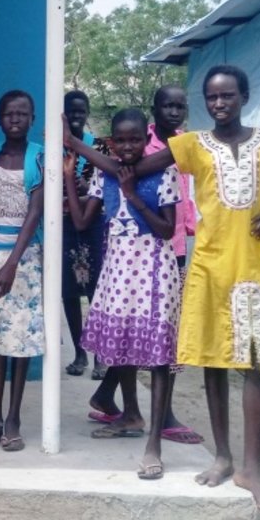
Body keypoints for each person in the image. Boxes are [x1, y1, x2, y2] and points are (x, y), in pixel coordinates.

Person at [67, 64, 260, 518]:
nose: (220, 103)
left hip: (254, 267)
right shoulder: (192, 145)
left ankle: (251, 469)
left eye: (228, 95)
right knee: (215, 364)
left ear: (245, 95)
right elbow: (131, 165)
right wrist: (76, 144)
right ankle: (223, 458)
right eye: (213, 97)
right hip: (209, 265)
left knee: (257, 366)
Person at [65, 109, 181, 481]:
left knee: (159, 356)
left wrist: (134, 195)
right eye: (121, 140)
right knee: (124, 348)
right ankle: (130, 413)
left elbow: (166, 230)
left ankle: (154, 445)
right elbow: (82, 221)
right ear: (111, 143)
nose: (128, 146)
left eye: (136, 139)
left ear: (146, 141)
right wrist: (69, 179)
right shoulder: (104, 174)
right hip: (117, 271)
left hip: (153, 272)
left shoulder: (164, 173)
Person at [88, 85, 203, 444]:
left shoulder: (183, 145)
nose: (174, 111)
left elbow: (169, 217)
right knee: (127, 335)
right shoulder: (142, 151)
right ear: (154, 110)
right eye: (167, 105)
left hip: (166, 251)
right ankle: (138, 412)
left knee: (157, 338)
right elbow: (114, 173)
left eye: (180, 106)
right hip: (126, 259)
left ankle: (152, 414)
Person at [0, 90, 44, 453]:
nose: (16, 119)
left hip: (24, 259)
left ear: (32, 119)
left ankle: (14, 417)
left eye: (23, 114)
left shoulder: (38, 157)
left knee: (21, 340)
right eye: (9, 114)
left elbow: (34, 213)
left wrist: (13, 263)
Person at [62, 90, 109, 379]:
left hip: (92, 224)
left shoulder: (99, 147)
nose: (77, 116)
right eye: (71, 111)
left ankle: (100, 356)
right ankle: (79, 353)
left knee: (96, 291)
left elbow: (103, 185)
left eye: (82, 111)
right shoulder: (52, 147)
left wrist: (82, 186)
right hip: (63, 225)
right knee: (67, 291)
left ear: (88, 112)